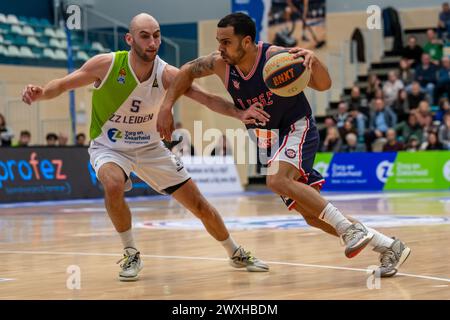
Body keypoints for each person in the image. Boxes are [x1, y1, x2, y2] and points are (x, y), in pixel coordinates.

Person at [157, 12, 411, 277]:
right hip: (269, 141)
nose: (220, 48)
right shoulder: (221, 64)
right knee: (312, 215)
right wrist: (167, 106)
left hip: (297, 127)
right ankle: (390, 246)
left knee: (275, 180)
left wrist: (316, 63)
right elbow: (187, 71)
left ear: (246, 42)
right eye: (218, 41)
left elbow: (324, 85)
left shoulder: (277, 57)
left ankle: (351, 230)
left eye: (226, 42)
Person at [21, 13, 270, 282]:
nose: (153, 42)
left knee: (199, 205)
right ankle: (131, 253)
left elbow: (207, 99)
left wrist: (241, 114)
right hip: (109, 146)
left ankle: (234, 252)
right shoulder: (107, 65)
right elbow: (63, 84)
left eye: (157, 35)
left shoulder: (166, 74)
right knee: (113, 184)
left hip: (151, 148)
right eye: (145, 36)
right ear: (129, 39)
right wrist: (42, 93)